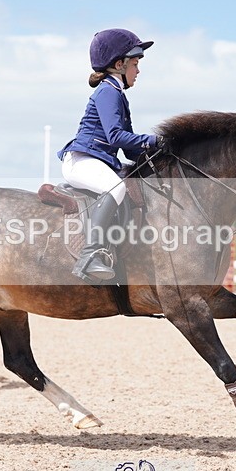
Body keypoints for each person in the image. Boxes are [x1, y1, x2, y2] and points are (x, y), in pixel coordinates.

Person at [57, 28, 167, 283]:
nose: (138, 71)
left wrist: (161, 154)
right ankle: (90, 255)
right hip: (82, 160)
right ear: (119, 65)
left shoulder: (117, 93)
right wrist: (154, 140)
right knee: (116, 188)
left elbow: (129, 148)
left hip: (94, 160)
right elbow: (116, 136)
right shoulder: (108, 91)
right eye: (135, 64)